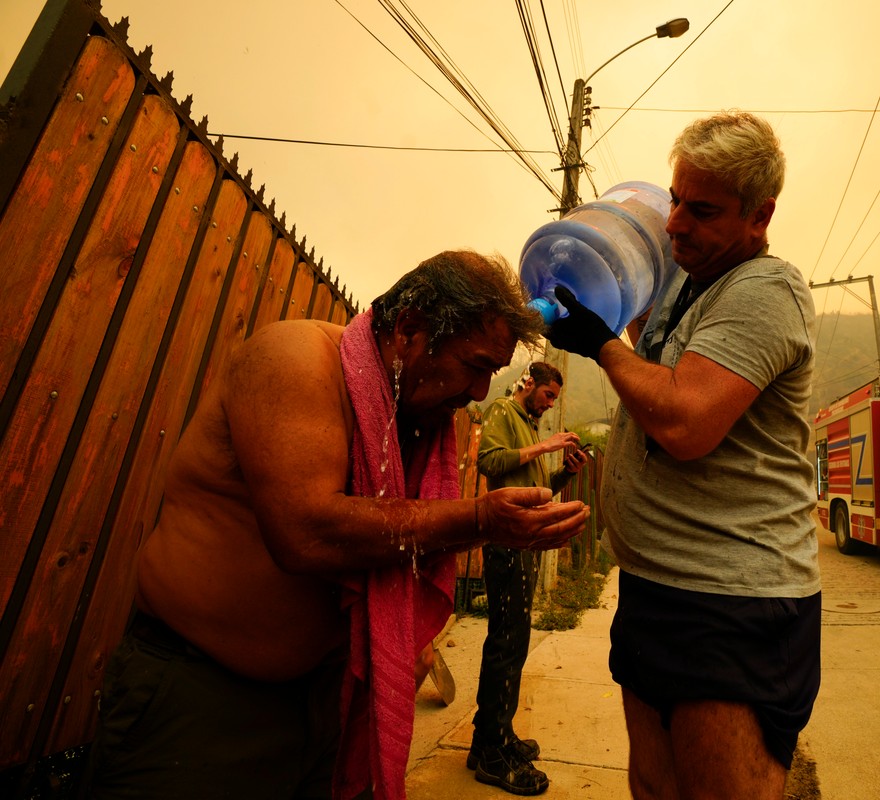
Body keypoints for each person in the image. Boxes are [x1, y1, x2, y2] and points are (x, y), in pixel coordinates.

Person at [89, 250, 590, 800]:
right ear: (410, 328)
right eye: (474, 366)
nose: (476, 392)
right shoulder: (297, 358)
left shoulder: (408, 416)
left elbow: (390, 539)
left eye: (491, 375)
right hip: (199, 701)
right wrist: (479, 520)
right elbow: (305, 530)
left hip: (323, 703)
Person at [548, 111, 821, 799]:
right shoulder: (686, 288)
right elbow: (638, 310)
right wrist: (602, 268)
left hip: (730, 601)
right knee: (654, 784)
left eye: (702, 211)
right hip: (655, 588)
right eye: (675, 200)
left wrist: (600, 344)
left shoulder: (764, 290)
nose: (675, 225)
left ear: (760, 216)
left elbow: (685, 421)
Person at [469, 361, 589, 795]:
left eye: (555, 397)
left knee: (513, 641)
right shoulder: (503, 410)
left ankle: (491, 738)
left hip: (524, 544)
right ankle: (492, 753)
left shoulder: (529, 426)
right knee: (506, 643)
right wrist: (545, 447)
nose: (550, 403)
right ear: (530, 386)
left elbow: (538, 490)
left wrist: (565, 471)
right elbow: (489, 461)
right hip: (505, 544)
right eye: (548, 396)